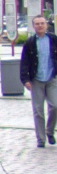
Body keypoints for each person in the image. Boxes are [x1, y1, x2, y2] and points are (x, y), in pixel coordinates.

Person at [20, 14, 57, 148]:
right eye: (37, 24)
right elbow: (24, 62)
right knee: (38, 110)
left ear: (46, 25)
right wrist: (25, 80)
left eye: (42, 23)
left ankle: (49, 131)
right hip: (36, 80)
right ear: (33, 26)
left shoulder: (53, 39)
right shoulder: (30, 42)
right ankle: (40, 139)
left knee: (54, 106)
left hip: (51, 78)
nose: (40, 26)